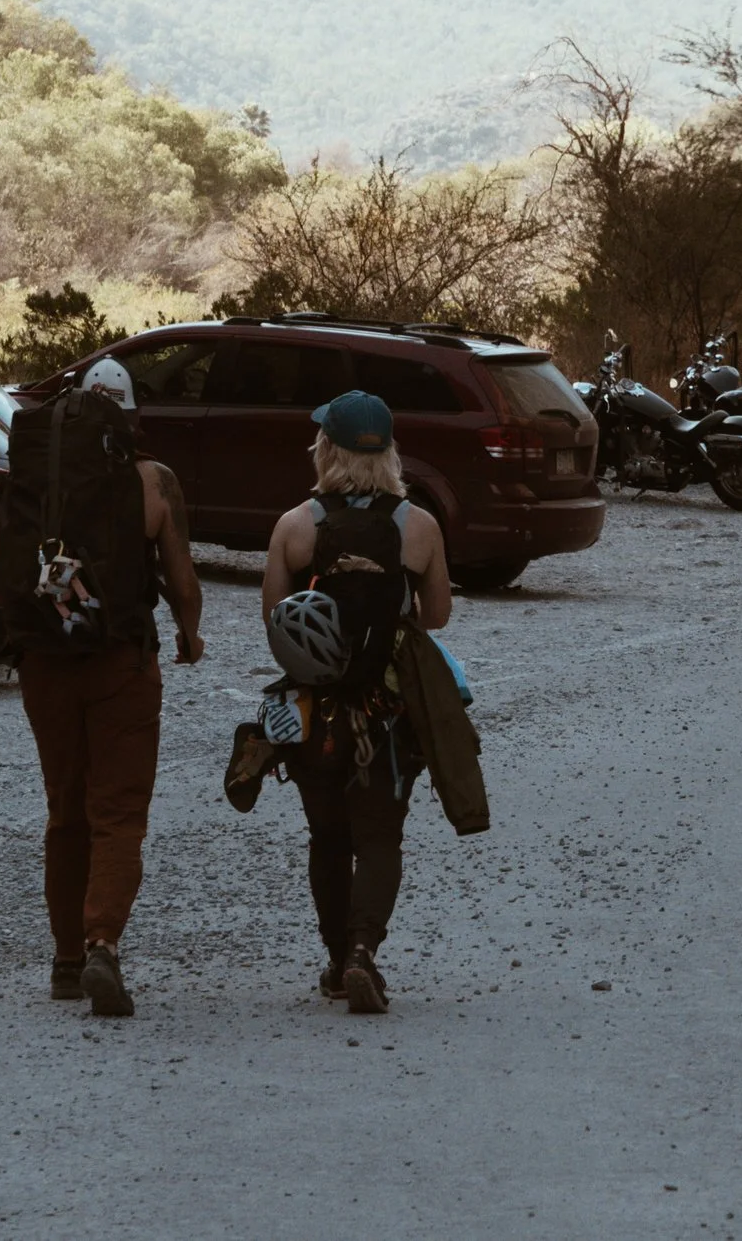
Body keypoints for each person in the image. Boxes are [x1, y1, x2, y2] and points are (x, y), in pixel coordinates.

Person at [0, 358, 205, 1018]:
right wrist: (191, 635)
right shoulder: (154, 480)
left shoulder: (32, 486)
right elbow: (183, 581)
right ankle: (102, 943)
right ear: (130, 418)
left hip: (44, 667)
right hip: (122, 665)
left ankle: (67, 960)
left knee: (66, 809)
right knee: (118, 814)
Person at [262, 389, 452, 1015]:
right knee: (379, 837)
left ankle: (337, 960)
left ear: (327, 450)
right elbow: (437, 616)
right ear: (389, 454)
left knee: (327, 837)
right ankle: (363, 952)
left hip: (315, 713)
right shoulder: (418, 527)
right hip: (386, 714)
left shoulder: (296, 526)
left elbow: (274, 619)